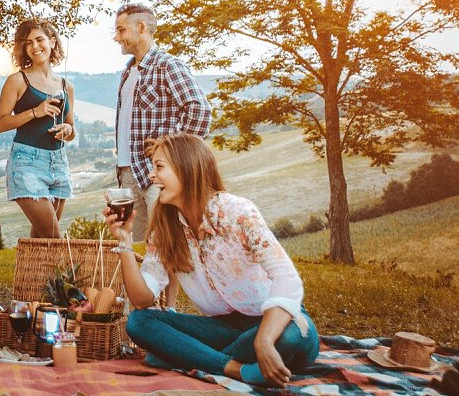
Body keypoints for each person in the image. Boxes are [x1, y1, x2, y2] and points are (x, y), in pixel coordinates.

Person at [105, 134, 320, 387]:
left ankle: (185, 355)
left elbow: (287, 278)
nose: (152, 175)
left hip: (275, 321)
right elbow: (142, 299)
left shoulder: (237, 212)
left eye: (159, 167)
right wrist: (125, 241)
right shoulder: (166, 228)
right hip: (222, 328)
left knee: (294, 336)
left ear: (187, 168)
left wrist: (264, 340)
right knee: (139, 322)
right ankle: (233, 367)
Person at [112, 3, 210, 242]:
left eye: (121, 30)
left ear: (141, 27)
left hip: (157, 175)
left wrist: (171, 148)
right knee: (138, 248)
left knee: (168, 243)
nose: (116, 37)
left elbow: (200, 110)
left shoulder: (167, 65)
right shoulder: (127, 72)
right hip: (127, 173)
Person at [0, 18, 77, 238]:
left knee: (42, 237)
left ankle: (31, 263)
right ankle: (61, 263)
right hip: (27, 162)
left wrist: (68, 130)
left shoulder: (66, 86)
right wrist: (35, 112)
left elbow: (71, 129)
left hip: (58, 162)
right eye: (28, 43)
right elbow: (0, 123)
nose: (34, 46)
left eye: (39, 40)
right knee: (53, 234)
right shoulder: (17, 80)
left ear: (52, 42)